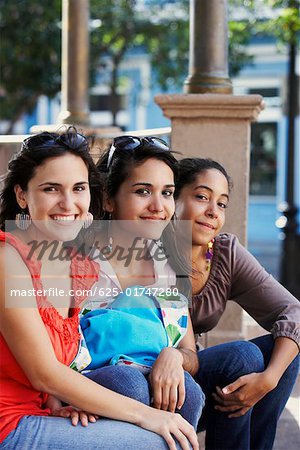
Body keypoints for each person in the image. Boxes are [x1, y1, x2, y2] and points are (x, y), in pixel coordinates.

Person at [0, 129, 199, 450]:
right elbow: (43, 372)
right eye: (51, 189)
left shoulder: (70, 264)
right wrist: (145, 415)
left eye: (78, 188)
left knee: (182, 410)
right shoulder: (7, 258)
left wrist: (57, 403)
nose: (68, 203)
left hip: (39, 412)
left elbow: (52, 369)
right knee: (161, 440)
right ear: (23, 196)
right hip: (8, 423)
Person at [72, 135, 204, 430]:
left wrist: (173, 356)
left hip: (151, 371)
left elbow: (191, 355)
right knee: (128, 381)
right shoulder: (77, 260)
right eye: (143, 191)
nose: (159, 206)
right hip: (88, 382)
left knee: (190, 392)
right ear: (108, 198)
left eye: (167, 193)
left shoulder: (169, 264)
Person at [173, 157, 300, 450]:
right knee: (242, 357)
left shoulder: (222, 252)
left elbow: (292, 312)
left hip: (199, 379)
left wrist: (268, 379)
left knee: (284, 351)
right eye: (202, 197)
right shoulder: (153, 249)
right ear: (173, 198)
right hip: (161, 382)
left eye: (221, 204)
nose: (212, 212)